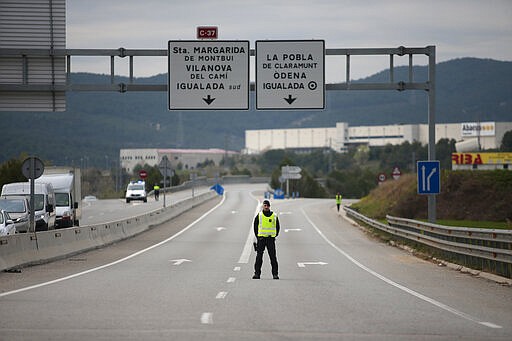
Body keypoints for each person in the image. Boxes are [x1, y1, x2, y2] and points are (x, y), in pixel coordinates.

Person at [253, 199, 280, 280]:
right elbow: (255, 226)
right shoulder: (259, 215)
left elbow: (277, 227)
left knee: (273, 257)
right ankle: (257, 274)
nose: (266, 207)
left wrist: (274, 236)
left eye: (267, 205)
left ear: (269, 206)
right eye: (265, 205)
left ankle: (275, 274)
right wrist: (258, 237)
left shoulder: (274, 215)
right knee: (259, 257)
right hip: (261, 239)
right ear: (263, 206)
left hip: (270, 239)